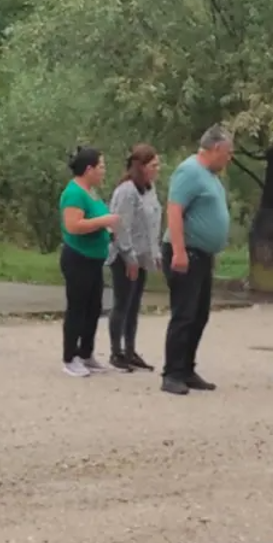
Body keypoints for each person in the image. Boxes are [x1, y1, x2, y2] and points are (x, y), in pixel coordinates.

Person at [159, 124, 233, 395]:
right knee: (184, 314)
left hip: (202, 255)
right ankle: (172, 373)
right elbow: (175, 210)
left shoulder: (210, 176)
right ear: (215, 148)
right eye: (228, 152)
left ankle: (187, 367)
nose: (229, 158)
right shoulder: (189, 171)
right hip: (186, 252)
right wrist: (179, 251)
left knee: (199, 314)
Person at [59, 146, 119, 377]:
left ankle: (86, 353)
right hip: (78, 258)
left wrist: (107, 229)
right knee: (78, 308)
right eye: (101, 166)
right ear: (89, 169)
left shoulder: (91, 192)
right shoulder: (74, 193)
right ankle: (69, 357)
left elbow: (93, 218)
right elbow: (73, 225)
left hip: (95, 258)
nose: (104, 171)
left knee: (93, 308)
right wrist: (103, 220)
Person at [106, 143, 163, 372]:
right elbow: (121, 226)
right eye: (153, 165)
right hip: (124, 255)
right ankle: (116, 351)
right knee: (122, 302)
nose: (157, 169)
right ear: (141, 166)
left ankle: (130, 349)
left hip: (142, 255)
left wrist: (154, 252)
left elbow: (152, 222)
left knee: (134, 303)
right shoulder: (127, 191)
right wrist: (129, 257)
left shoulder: (149, 188)